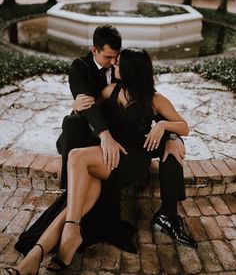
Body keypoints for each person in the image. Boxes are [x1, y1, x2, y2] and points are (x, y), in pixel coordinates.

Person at [4, 48, 197, 275]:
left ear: (130, 71)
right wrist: (75, 107)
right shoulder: (110, 91)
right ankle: (33, 257)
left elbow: (184, 126)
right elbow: (90, 112)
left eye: (119, 64)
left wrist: (164, 125)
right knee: (75, 206)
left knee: (77, 156)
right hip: (107, 157)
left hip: (132, 162)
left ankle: (71, 233)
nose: (114, 65)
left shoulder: (155, 100)